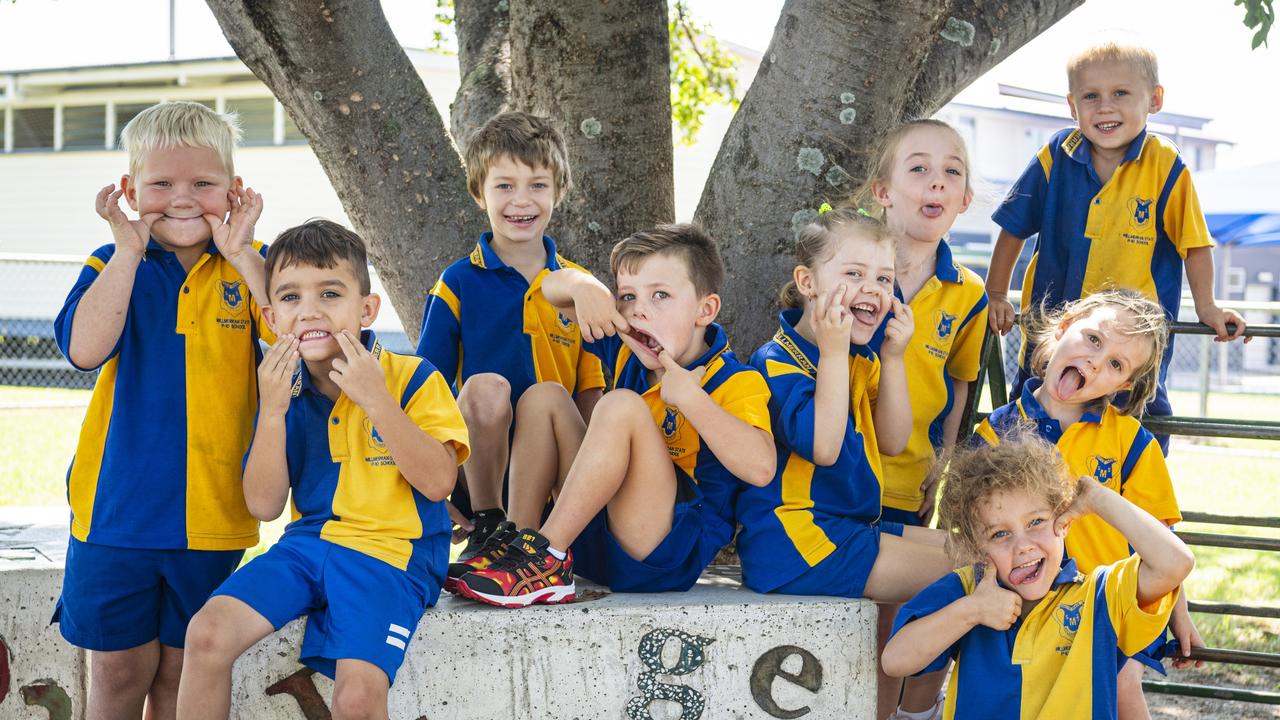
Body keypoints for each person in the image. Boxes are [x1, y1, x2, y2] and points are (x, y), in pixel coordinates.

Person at [175, 220, 469, 720]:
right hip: (309, 544)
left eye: (329, 293)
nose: (309, 311)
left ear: (366, 309)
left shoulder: (412, 377)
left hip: (393, 551)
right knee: (206, 634)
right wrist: (270, 413)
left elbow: (439, 482)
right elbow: (264, 506)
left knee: (355, 695)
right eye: (290, 298)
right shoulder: (283, 391)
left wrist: (378, 402)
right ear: (271, 316)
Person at [51, 100, 267, 720]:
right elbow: (85, 351)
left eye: (203, 184)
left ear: (234, 190)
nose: (183, 199)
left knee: (180, 676)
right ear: (128, 190)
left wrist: (247, 254)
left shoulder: (255, 264)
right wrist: (125, 250)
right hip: (116, 511)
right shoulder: (110, 261)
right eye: (161, 184)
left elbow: (296, 350)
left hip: (213, 510)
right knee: (118, 674)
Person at [452, 223, 776, 607]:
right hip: (597, 540)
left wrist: (692, 399)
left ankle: (546, 556)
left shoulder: (734, 381)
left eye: (660, 296)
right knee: (546, 397)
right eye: (628, 296)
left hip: (662, 553)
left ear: (705, 309)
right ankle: (522, 548)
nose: (639, 309)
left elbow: (761, 468)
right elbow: (547, 289)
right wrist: (581, 287)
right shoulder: (629, 353)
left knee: (620, 404)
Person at [734, 208, 954, 719]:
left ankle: (909, 710)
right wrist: (834, 354)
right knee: (976, 572)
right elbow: (824, 446)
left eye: (883, 277)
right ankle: (918, 712)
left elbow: (895, 440)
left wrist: (896, 357)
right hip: (798, 544)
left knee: (973, 550)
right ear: (807, 282)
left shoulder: (861, 357)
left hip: (845, 530)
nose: (872, 289)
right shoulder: (777, 360)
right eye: (853, 274)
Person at [986, 40, 1247, 453]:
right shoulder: (1056, 154)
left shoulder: (1165, 164)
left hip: (1130, 348)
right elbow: (1013, 228)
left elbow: (1194, 245)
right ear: (1073, 106)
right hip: (1056, 339)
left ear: (1155, 99)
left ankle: (1140, 513)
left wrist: (1208, 307)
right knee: (1032, 430)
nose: (1105, 107)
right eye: (1091, 96)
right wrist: (996, 293)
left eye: (1121, 94)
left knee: (1135, 437)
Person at [974, 289, 1202, 719]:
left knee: (1119, 686)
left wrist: (1179, 614)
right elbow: (973, 532)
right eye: (1094, 340)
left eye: (1116, 364)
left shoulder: (1132, 442)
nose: (1097, 361)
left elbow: (1160, 538)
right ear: (1063, 329)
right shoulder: (997, 432)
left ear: (1123, 385)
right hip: (1025, 600)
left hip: (1112, 605)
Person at [884, 429, 1194, 720]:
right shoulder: (968, 590)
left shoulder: (1100, 596)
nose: (1023, 546)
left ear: (1065, 521)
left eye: (1036, 522)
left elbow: (1175, 563)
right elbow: (895, 660)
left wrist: (1097, 499)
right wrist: (973, 610)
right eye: (999, 534)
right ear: (977, 549)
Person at [416, 112, 604, 587]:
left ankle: (529, 544)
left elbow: (589, 397)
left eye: (538, 185)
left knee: (548, 394)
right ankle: (489, 527)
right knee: (485, 387)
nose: (522, 200)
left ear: (559, 192)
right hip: (482, 468)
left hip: (555, 471)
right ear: (479, 194)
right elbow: (425, 388)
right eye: (505, 186)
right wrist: (432, 486)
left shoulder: (579, 289)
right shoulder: (458, 281)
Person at [857, 119, 991, 720]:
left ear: (963, 201)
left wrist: (946, 463)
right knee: (856, 616)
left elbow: (959, 384)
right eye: (918, 169)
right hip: (839, 471)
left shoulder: (968, 294)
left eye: (951, 172)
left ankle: (913, 712)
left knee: (904, 609)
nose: (935, 182)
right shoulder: (850, 268)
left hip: (910, 478)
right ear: (883, 190)